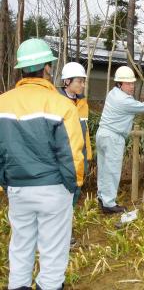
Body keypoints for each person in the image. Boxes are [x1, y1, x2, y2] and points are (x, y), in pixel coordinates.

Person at [0, 39, 84, 290]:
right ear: (47, 68)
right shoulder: (61, 105)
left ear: (21, 69)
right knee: (53, 251)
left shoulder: (2, 102)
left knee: (21, 245)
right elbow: (72, 154)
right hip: (54, 188)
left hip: (17, 188)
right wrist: (74, 187)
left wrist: (6, 182)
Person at [96, 66, 144, 213]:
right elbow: (140, 106)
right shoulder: (123, 100)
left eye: (132, 83)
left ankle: (102, 198)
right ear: (119, 84)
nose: (131, 86)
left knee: (104, 169)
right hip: (113, 137)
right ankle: (108, 204)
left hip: (103, 134)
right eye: (128, 83)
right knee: (112, 170)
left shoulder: (113, 93)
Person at [60, 62, 92, 206]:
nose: (82, 85)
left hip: (80, 155)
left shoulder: (82, 102)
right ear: (67, 81)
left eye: (83, 81)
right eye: (79, 81)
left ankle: (69, 220)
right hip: (63, 155)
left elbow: (85, 131)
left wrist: (88, 153)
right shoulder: (56, 101)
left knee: (76, 188)